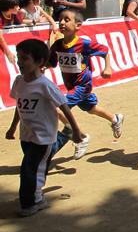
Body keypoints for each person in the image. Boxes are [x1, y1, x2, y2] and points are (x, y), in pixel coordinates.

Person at [5, 39, 85, 217]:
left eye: (25, 58)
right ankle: (65, 136)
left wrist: (76, 129)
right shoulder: (18, 82)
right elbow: (19, 106)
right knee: (38, 164)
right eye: (19, 57)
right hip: (26, 136)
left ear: (39, 61)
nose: (20, 62)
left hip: (43, 136)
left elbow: (64, 106)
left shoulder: (45, 85)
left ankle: (32, 202)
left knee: (30, 169)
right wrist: (13, 127)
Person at [48, 9, 124, 158]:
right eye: (60, 20)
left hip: (83, 86)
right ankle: (115, 119)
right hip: (71, 86)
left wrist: (108, 67)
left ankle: (81, 137)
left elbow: (105, 50)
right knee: (91, 108)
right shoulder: (57, 45)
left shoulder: (84, 44)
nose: (62, 22)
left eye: (66, 20)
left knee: (58, 108)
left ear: (78, 25)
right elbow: (51, 63)